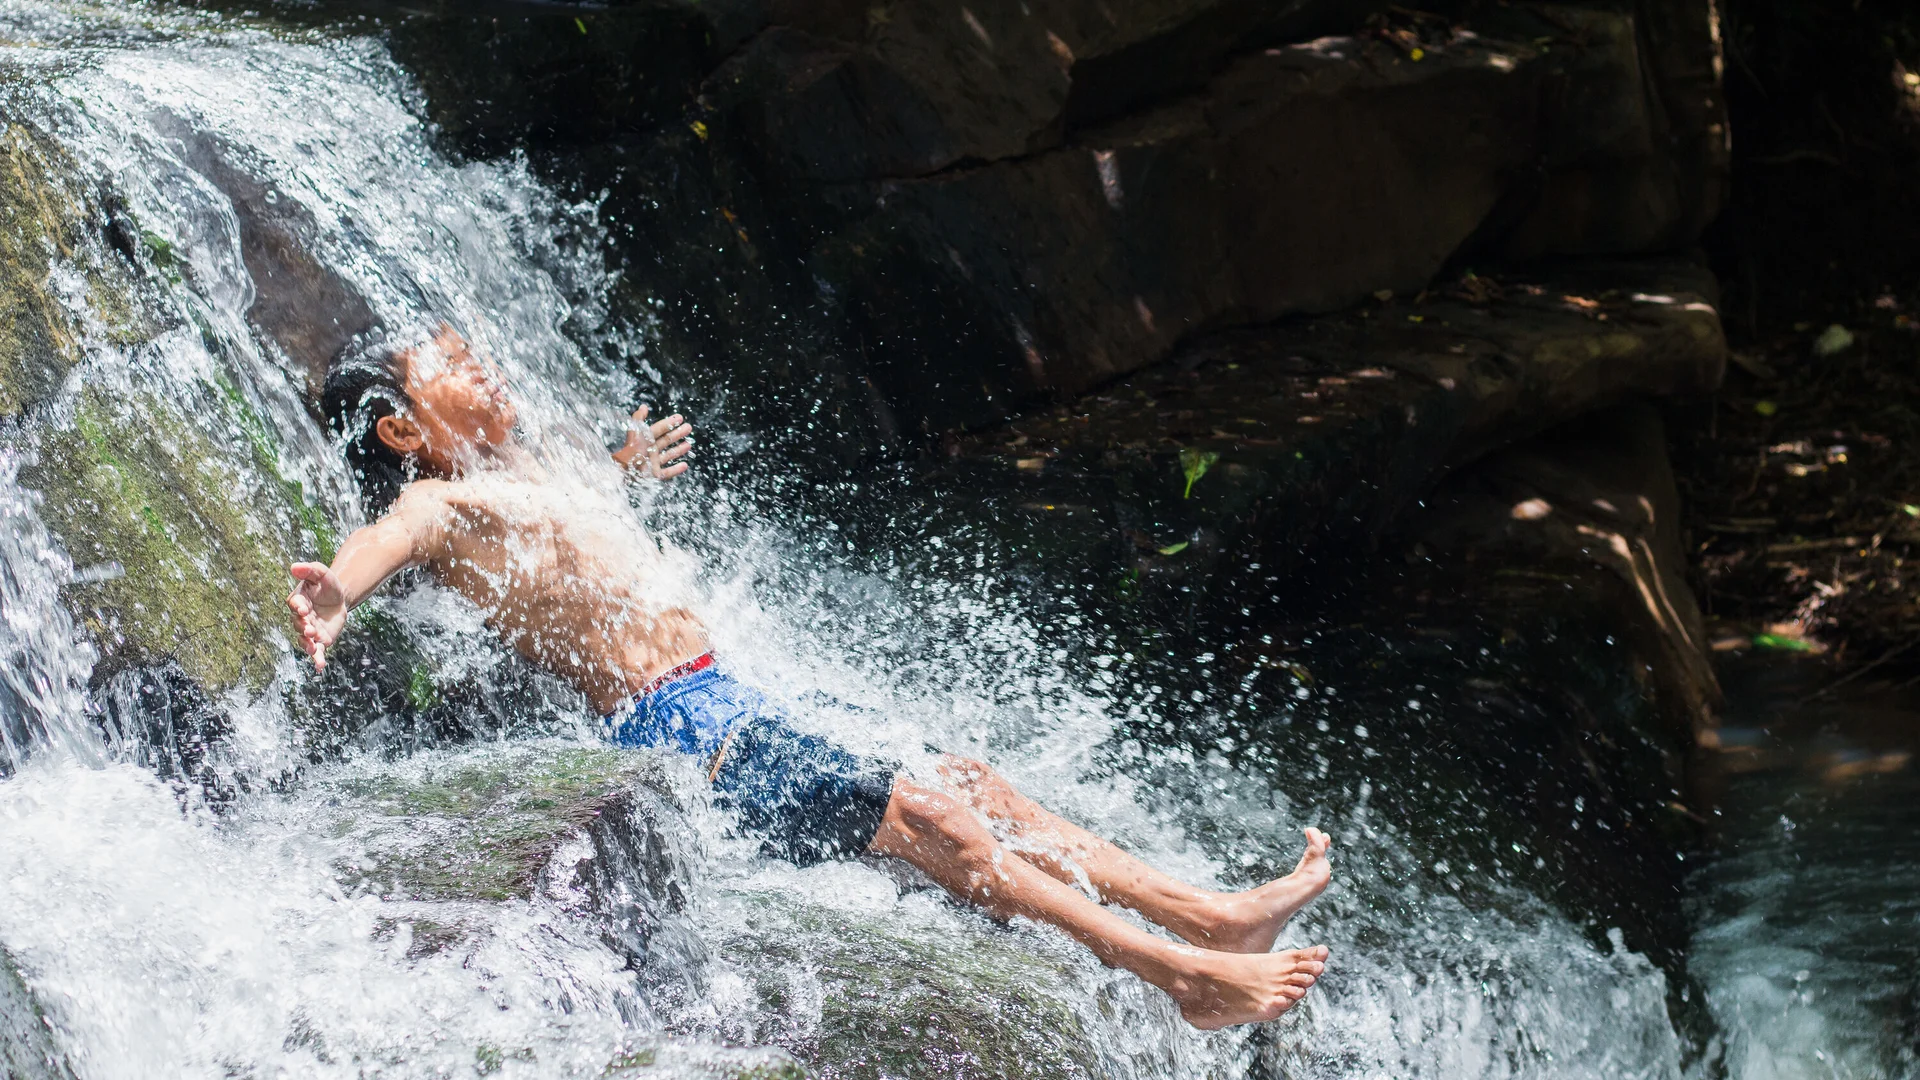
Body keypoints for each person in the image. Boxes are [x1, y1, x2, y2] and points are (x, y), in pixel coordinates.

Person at [286, 324, 1334, 1029]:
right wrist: (332, 595)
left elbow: (578, 519)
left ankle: (1207, 916)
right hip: (680, 729)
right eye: (456, 371)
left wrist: (623, 459)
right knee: (936, 821)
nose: (488, 371)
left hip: (727, 690)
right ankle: (1181, 977)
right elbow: (378, 545)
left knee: (980, 790)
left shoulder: (524, 468)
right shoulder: (437, 508)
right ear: (404, 431)